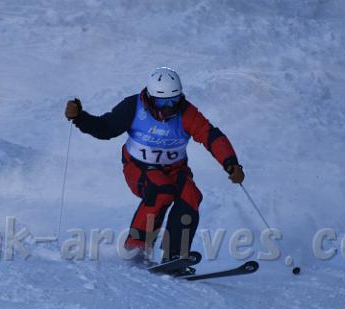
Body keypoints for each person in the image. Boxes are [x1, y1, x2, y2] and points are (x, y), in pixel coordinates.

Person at [64, 67, 244, 264]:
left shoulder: (187, 113)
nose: (168, 108)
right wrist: (80, 117)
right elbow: (105, 128)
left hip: (175, 169)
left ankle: (175, 255)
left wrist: (231, 163)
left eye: (173, 100)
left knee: (190, 195)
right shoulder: (133, 107)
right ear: (150, 98)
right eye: (161, 102)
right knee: (161, 190)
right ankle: (135, 249)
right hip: (138, 168)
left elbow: (211, 136)